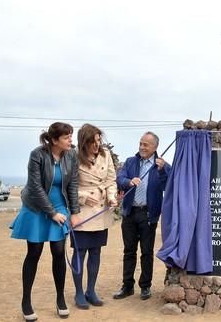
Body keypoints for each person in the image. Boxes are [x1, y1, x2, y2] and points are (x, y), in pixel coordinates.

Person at [10, 122, 80, 321]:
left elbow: (73, 184)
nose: (70, 140)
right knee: (34, 253)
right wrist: (51, 213)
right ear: (55, 140)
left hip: (59, 208)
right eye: (67, 137)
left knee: (59, 252)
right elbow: (35, 187)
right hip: (37, 207)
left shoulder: (71, 156)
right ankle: (26, 301)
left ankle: (60, 299)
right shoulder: (37, 154)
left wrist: (74, 212)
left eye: (70, 136)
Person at [113, 131, 171, 300]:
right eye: (141, 143)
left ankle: (145, 286)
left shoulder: (161, 165)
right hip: (130, 213)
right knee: (129, 251)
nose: (142, 147)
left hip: (148, 214)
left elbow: (167, 185)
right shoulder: (131, 161)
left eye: (146, 144)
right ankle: (127, 286)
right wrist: (128, 182)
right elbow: (120, 177)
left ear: (155, 147)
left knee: (146, 252)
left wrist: (162, 171)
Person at [70, 124, 118, 309]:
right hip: (82, 212)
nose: (97, 145)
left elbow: (110, 180)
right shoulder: (73, 157)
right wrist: (82, 197)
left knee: (96, 251)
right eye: (93, 141)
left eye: (99, 140)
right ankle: (79, 293)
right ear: (84, 142)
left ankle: (91, 290)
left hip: (101, 210)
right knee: (80, 252)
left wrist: (112, 197)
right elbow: (68, 185)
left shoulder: (105, 155)